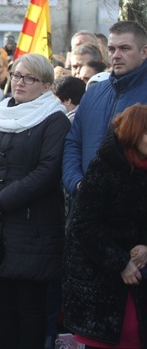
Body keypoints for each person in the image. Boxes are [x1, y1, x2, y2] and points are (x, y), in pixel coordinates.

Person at [0, 53, 70, 348]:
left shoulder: (54, 120)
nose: (20, 82)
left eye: (29, 78)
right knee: (3, 308)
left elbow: (47, 171)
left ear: (46, 85)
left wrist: (0, 201)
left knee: (31, 310)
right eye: (17, 75)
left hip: (33, 230)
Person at [63, 105, 147, 348]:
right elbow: (83, 225)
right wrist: (120, 262)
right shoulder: (103, 168)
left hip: (139, 274)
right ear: (133, 133)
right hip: (101, 279)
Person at [63, 21, 147, 196]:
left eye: (124, 48)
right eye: (111, 49)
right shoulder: (93, 93)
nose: (116, 55)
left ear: (144, 52)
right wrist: (77, 184)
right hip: (89, 205)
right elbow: (73, 143)